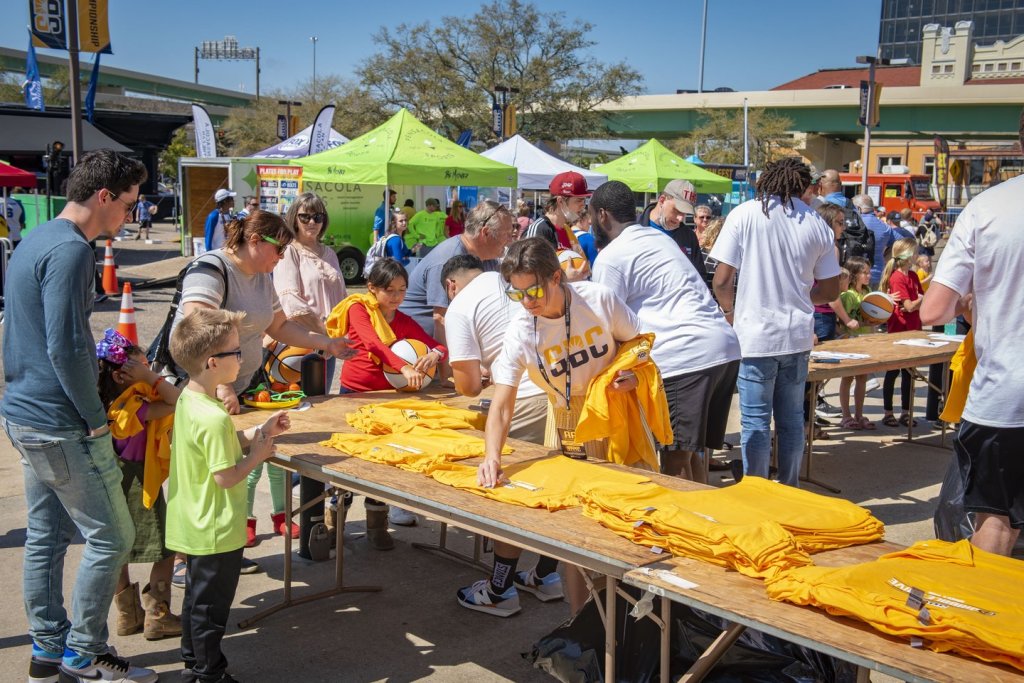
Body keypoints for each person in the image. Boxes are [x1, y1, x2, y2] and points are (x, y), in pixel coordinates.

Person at [0, 149, 158, 683]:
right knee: (111, 537)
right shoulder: (71, 252)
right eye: (129, 204)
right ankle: (83, 654)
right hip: (61, 422)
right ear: (104, 196)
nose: (131, 217)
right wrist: (94, 418)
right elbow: (65, 345)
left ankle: (48, 648)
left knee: (45, 535)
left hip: (25, 414)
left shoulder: (41, 238)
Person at [465, 237, 642, 617]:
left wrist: (631, 373)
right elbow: (502, 403)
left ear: (557, 277)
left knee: (625, 527)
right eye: (518, 294)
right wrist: (491, 457)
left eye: (535, 290)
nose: (528, 301)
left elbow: (638, 342)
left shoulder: (599, 299)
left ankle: (628, 623)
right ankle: (585, 628)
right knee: (574, 536)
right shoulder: (521, 332)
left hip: (616, 417)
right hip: (563, 423)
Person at [172, 209, 354, 574]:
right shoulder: (212, 268)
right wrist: (222, 385)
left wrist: (325, 343)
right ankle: (185, 561)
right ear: (254, 241)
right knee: (202, 480)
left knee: (226, 475)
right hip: (201, 393)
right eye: (279, 248)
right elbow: (197, 326)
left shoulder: (260, 276)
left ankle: (222, 551)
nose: (282, 257)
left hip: (234, 393)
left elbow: (280, 326)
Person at [166, 308, 291, 683]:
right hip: (216, 528)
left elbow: (217, 448)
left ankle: (195, 664)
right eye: (236, 352)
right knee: (211, 609)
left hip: (193, 521)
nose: (242, 358)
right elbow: (226, 476)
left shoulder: (189, 400)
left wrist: (257, 431)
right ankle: (209, 673)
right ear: (212, 362)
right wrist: (260, 454)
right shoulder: (215, 416)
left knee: (196, 602)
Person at [589, 181, 741, 483]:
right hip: (723, 350)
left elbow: (605, 326)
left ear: (602, 215)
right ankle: (702, 516)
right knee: (689, 454)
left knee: (674, 465)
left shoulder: (612, 257)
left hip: (685, 356)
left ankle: (683, 524)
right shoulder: (659, 240)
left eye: (592, 214)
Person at [921, 113, 1024, 555]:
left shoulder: (987, 207)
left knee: (995, 525)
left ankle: (986, 620)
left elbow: (934, 310)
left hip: (1005, 394)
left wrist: (979, 302)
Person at [442, 254, 565, 609]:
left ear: (452, 285)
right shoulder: (517, 285)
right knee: (554, 493)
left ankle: (500, 589)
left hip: (523, 399)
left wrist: (474, 373)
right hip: (563, 396)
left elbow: (467, 387)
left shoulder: (460, 307)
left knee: (509, 499)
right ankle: (546, 574)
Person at [709, 157, 841, 487]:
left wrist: (729, 313)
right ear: (803, 186)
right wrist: (799, 299)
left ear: (767, 180)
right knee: (791, 420)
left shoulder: (745, 214)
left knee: (754, 422)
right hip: (796, 337)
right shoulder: (818, 224)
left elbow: (722, 280)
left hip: (754, 336)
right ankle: (790, 488)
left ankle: (756, 491)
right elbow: (829, 289)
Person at [333, 258, 446, 546]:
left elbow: (437, 345)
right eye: (389, 290)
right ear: (372, 288)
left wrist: (436, 355)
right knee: (347, 463)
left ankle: (377, 526)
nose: (396, 297)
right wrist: (404, 367)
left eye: (402, 290)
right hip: (354, 395)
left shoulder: (404, 321)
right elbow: (373, 344)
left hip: (388, 402)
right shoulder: (359, 308)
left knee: (381, 465)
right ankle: (333, 526)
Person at [261, 193, 347, 545]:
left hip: (325, 349)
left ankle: (308, 498)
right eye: (305, 216)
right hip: (295, 348)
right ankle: (285, 506)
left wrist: (336, 333)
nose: (312, 222)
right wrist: (323, 330)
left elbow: (342, 298)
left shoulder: (329, 253)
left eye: (318, 216)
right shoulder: (289, 252)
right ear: (294, 218)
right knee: (287, 424)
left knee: (318, 420)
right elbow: (290, 300)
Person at [96, 329, 183, 641]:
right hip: (137, 484)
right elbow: (179, 402)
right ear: (122, 377)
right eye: (141, 368)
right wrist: (156, 381)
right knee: (165, 548)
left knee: (120, 551)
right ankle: (157, 615)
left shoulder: (104, 404)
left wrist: (145, 376)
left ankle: (127, 615)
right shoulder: (133, 407)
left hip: (109, 485)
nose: (150, 372)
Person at [399, 200, 517, 341]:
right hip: (416, 345)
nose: (510, 240)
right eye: (507, 234)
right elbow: (441, 319)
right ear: (485, 233)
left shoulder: (488, 257)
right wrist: (445, 361)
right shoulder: (448, 259)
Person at [879, 237, 924, 428]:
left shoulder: (912, 276)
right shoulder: (897, 277)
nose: (917, 255)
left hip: (913, 329)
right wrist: (919, 300)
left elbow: (917, 302)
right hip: (899, 330)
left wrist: (918, 301)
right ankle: (888, 412)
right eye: (914, 252)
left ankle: (905, 412)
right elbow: (910, 304)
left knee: (909, 373)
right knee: (892, 372)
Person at [638, 179, 708, 283]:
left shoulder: (688, 237)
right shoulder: (633, 228)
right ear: (662, 200)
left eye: (685, 213)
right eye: (677, 211)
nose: (680, 218)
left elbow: (700, 279)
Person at [835, 258, 877, 431]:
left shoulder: (868, 292)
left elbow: (870, 318)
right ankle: (846, 415)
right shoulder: (847, 295)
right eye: (864, 272)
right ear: (854, 275)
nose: (868, 275)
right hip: (851, 342)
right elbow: (840, 322)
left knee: (862, 378)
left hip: (865, 340)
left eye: (869, 272)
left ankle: (859, 414)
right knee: (848, 377)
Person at [852, 194, 893, 287]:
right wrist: (886, 257)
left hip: (857, 276)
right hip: (878, 274)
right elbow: (903, 242)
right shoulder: (885, 227)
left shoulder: (854, 224)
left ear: (858, 208)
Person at [204, 188, 235, 252]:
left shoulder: (229, 215)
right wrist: (209, 253)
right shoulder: (213, 216)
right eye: (231, 198)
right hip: (216, 252)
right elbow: (208, 236)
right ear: (224, 201)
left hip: (227, 251)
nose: (233, 200)